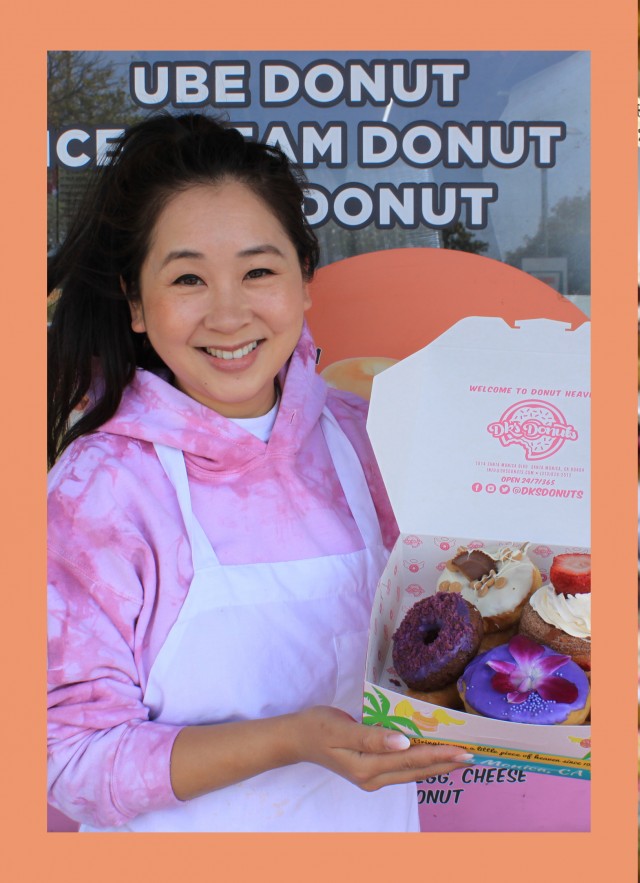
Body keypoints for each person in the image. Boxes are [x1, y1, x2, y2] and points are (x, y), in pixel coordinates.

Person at [47, 112, 474, 833]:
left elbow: (439, 628)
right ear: (136, 304)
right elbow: (68, 758)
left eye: (258, 270)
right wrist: (289, 739)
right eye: (187, 277)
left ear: (305, 282)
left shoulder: (366, 435)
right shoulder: (100, 490)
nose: (228, 311)